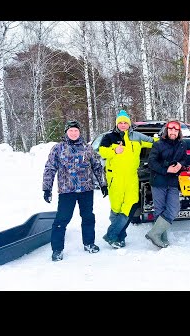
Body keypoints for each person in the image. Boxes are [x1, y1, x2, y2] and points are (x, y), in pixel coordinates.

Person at [42, 120, 108, 262]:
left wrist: (103, 184)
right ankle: (57, 250)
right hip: (67, 191)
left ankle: (89, 243)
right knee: (62, 219)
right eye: (71, 130)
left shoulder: (87, 148)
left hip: (86, 189)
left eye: (76, 130)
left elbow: (97, 166)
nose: (73, 133)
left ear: (79, 132)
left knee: (88, 217)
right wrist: (47, 188)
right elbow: (50, 168)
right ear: (66, 132)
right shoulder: (58, 148)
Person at [98, 110, 154, 249]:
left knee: (130, 205)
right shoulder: (109, 137)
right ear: (117, 124)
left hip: (131, 177)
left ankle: (111, 235)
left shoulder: (137, 137)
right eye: (120, 123)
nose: (123, 125)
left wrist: (168, 139)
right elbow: (101, 151)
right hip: (115, 177)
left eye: (125, 122)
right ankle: (120, 237)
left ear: (129, 124)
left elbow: (153, 142)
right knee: (116, 208)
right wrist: (114, 151)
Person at [145, 120, 187, 248]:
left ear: (178, 132)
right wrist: (166, 169)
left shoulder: (182, 145)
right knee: (160, 209)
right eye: (170, 129)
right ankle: (161, 237)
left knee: (174, 209)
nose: (173, 132)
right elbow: (151, 162)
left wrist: (181, 164)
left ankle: (154, 233)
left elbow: (184, 158)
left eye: (176, 130)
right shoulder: (158, 144)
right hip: (159, 181)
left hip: (173, 181)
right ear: (166, 131)